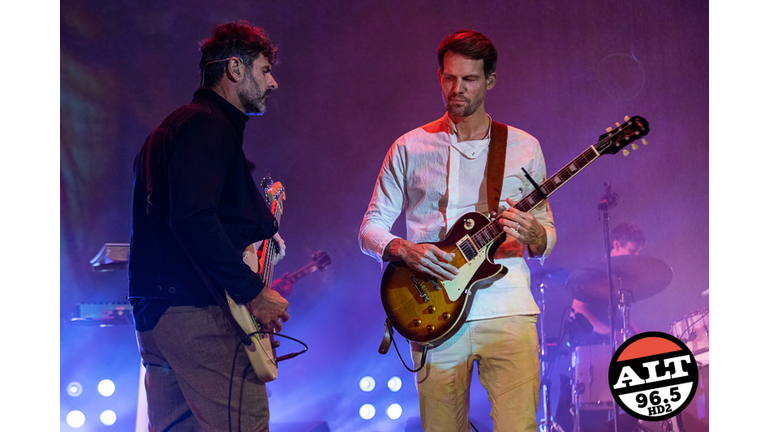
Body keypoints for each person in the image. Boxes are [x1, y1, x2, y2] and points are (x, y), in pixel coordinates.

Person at [359, 29, 556, 432]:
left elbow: (546, 232)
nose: (457, 88)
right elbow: (370, 228)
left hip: (508, 308)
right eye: (449, 78)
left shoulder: (523, 146)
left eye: (469, 79)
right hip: (432, 313)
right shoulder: (409, 147)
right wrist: (404, 248)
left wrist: (535, 235)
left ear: (490, 81)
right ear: (439, 76)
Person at [128, 21, 289, 431]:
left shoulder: (168, 129)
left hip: (158, 316)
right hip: (198, 312)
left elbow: (175, 215)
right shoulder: (208, 126)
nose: (272, 82)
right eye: (264, 70)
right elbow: (193, 217)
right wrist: (253, 291)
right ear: (235, 68)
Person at [570, 222, 645, 345]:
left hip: (615, 341)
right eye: (633, 250)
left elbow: (619, 312)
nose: (636, 256)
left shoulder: (621, 274)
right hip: (594, 345)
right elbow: (577, 310)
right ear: (617, 245)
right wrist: (611, 333)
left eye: (638, 251)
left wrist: (634, 329)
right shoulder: (595, 272)